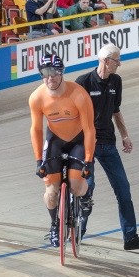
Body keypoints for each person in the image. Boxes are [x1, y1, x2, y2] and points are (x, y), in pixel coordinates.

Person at [75, 44, 139, 251]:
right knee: (86, 190)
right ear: (105, 61)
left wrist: (125, 135)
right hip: (87, 145)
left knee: (123, 189)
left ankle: (130, 237)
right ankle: (76, 233)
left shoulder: (116, 81)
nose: (119, 63)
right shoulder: (82, 82)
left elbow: (116, 111)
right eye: (117, 60)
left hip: (108, 143)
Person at [29, 53, 96, 247]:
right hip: (55, 140)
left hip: (78, 140)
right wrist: (37, 160)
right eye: (45, 73)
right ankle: (54, 224)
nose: (50, 78)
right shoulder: (37, 97)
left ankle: (85, 194)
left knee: (76, 186)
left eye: (54, 73)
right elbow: (36, 129)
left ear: (62, 72)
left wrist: (89, 160)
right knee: (51, 191)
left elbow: (89, 129)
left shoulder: (79, 94)